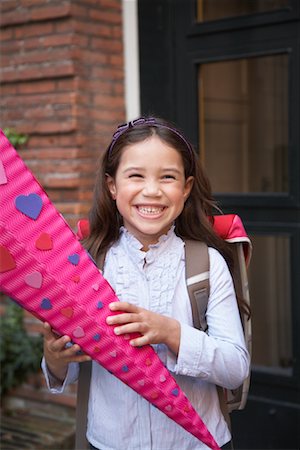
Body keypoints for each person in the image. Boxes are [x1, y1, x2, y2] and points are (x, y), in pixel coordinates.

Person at [42, 116, 250, 450]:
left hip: (197, 443)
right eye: (135, 176)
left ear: (185, 188)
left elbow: (235, 367)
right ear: (112, 186)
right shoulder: (86, 266)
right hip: (109, 442)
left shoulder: (207, 264)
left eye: (168, 177)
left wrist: (171, 333)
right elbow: (71, 371)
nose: (151, 191)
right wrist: (55, 357)